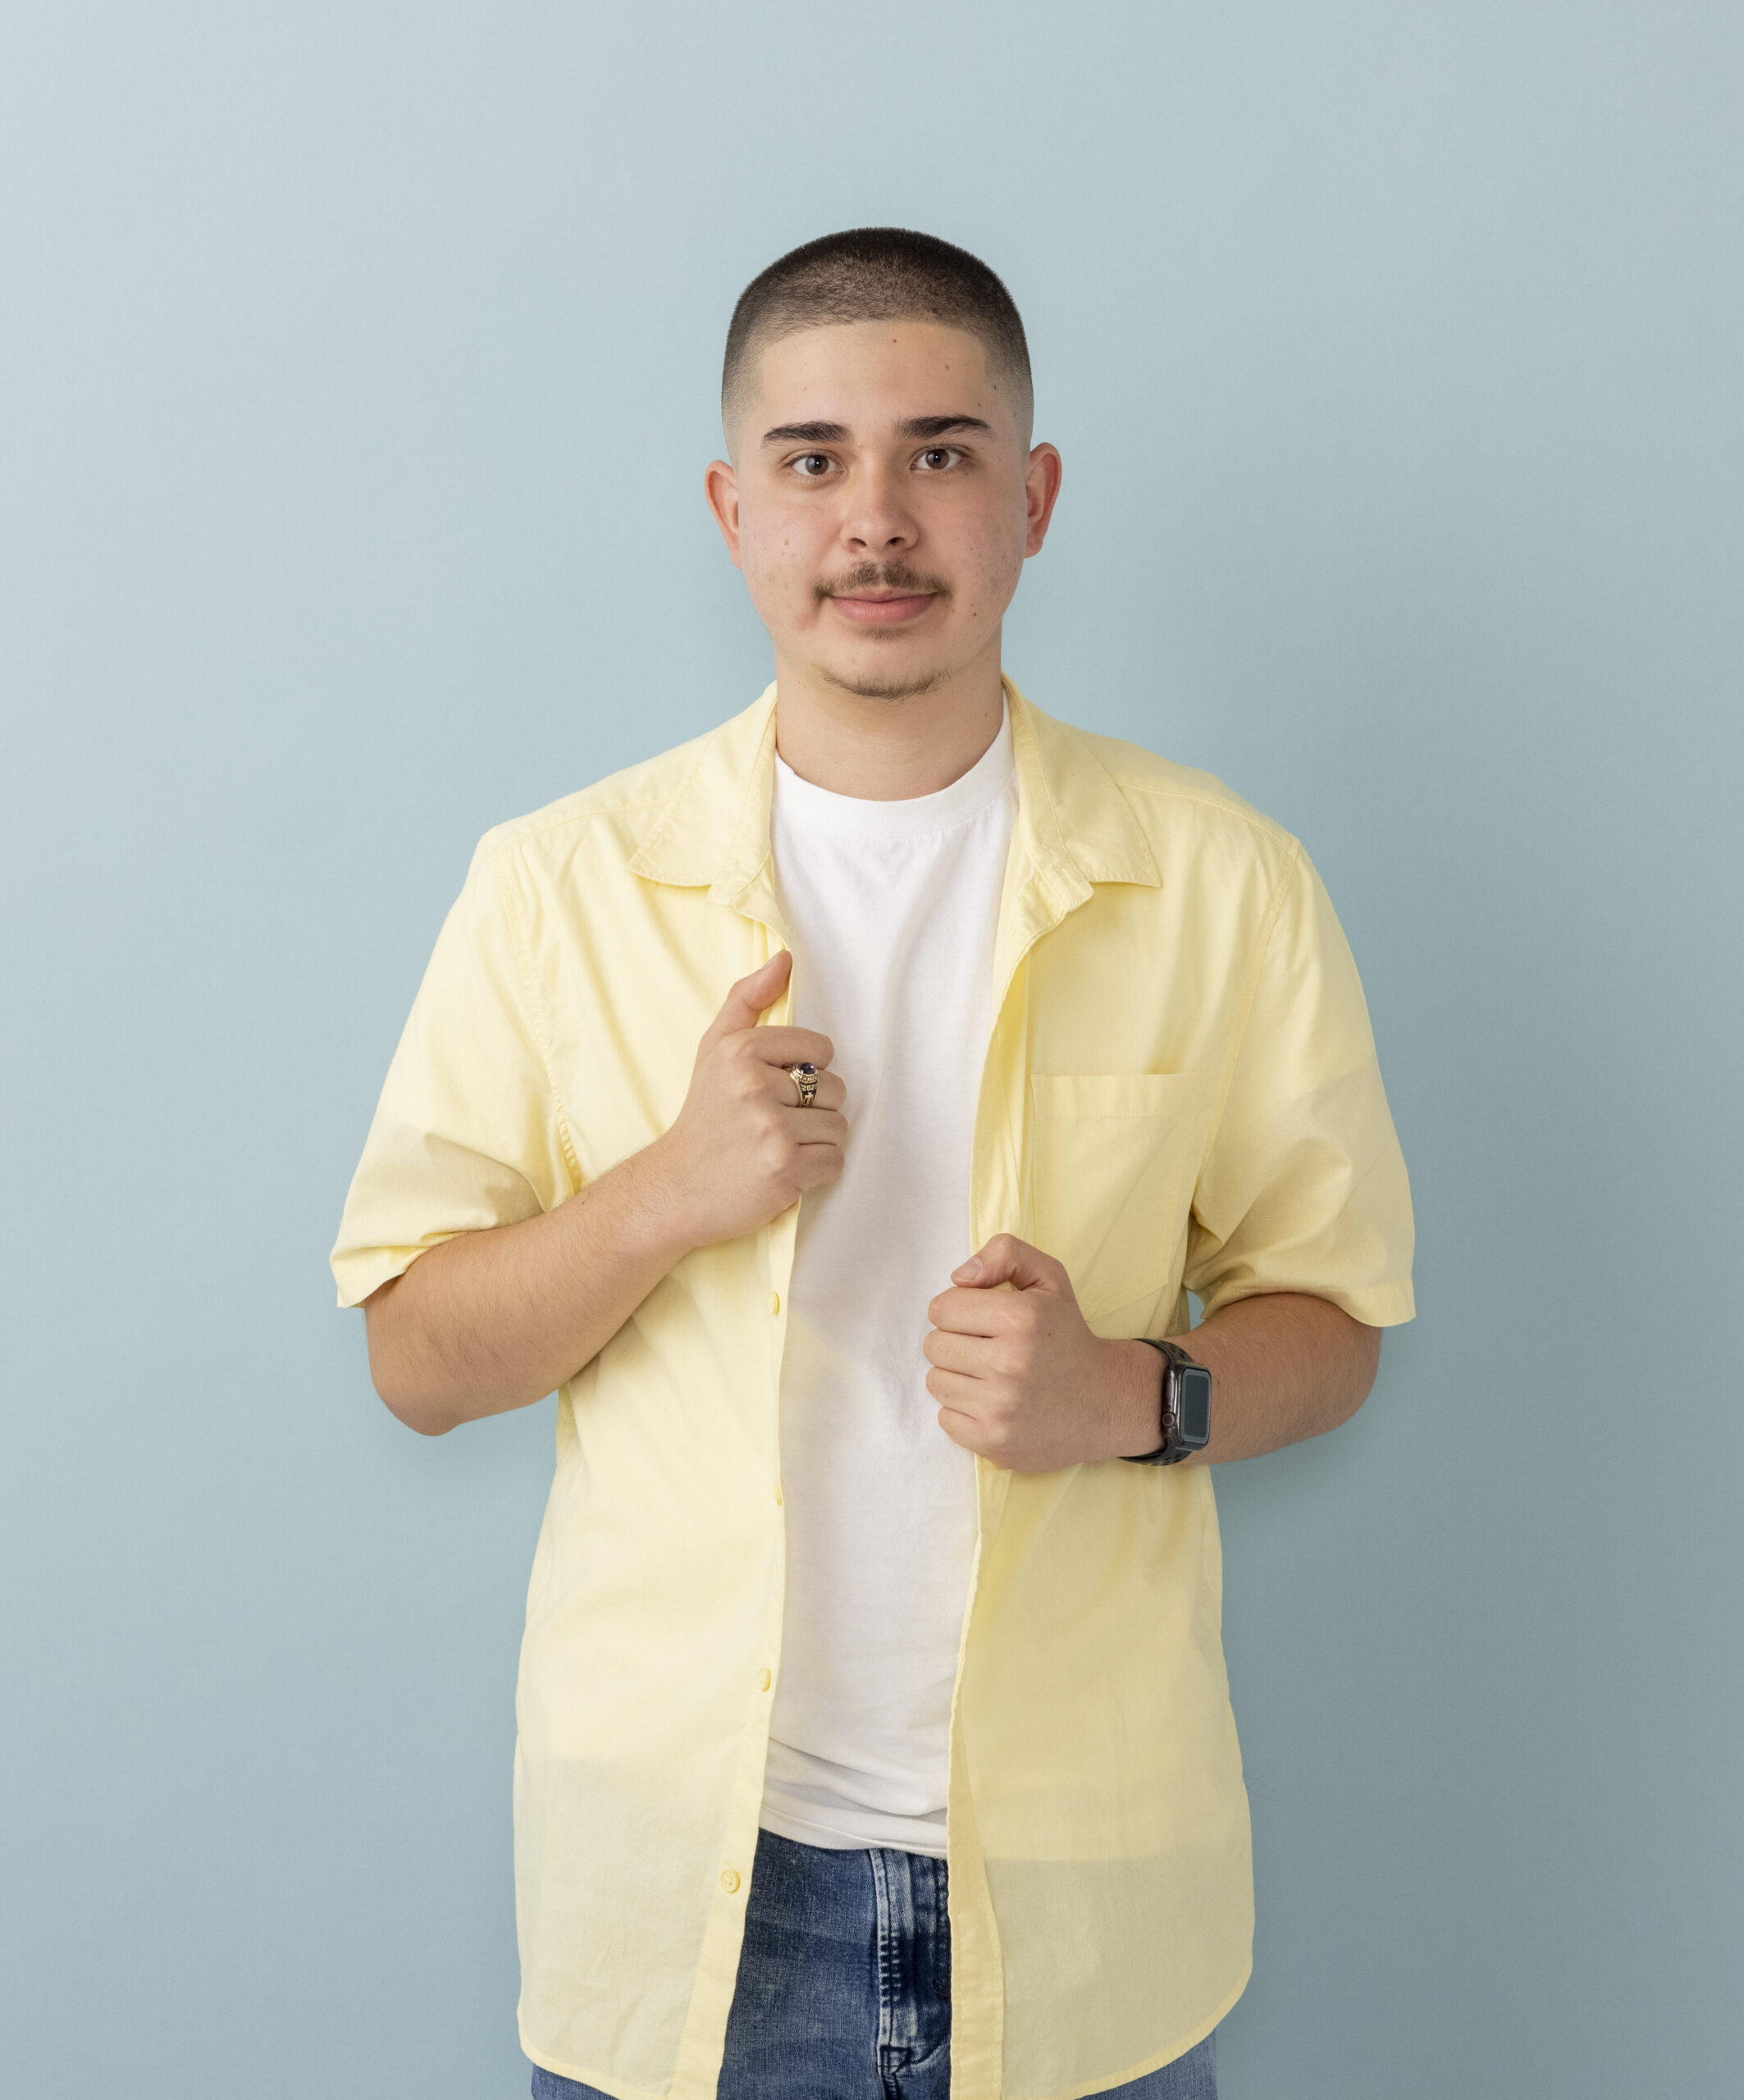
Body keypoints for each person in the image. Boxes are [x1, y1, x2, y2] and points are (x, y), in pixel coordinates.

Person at [331, 227, 1414, 2100]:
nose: (877, 519)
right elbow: (416, 1356)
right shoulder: (555, 885)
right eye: (816, 459)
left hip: (1086, 1895)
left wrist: (1125, 1392)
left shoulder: (1226, 879)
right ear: (732, 506)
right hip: (680, 1889)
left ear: (1033, 495)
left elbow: (1335, 1321)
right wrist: (669, 1185)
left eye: (942, 449)